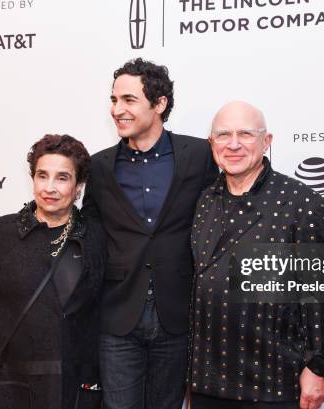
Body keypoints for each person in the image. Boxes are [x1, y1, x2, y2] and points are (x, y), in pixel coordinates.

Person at [82, 58, 219, 409]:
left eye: (129, 100)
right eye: (114, 100)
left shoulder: (199, 155)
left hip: (177, 316)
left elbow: (220, 221)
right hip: (117, 317)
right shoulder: (98, 167)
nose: (117, 109)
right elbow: (91, 237)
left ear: (159, 105)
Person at [188, 101, 324, 409]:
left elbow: (317, 294)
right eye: (223, 135)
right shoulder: (202, 201)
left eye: (245, 134)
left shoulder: (301, 204)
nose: (233, 144)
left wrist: (318, 366)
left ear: (266, 142)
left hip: (272, 381)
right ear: (211, 143)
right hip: (206, 380)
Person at [0, 134, 104, 409]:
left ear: (79, 186)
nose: (50, 187)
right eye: (42, 175)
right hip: (5, 381)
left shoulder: (94, 237)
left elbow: (96, 315)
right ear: (32, 178)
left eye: (62, 178)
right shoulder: (1, 232)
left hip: (67, 384)